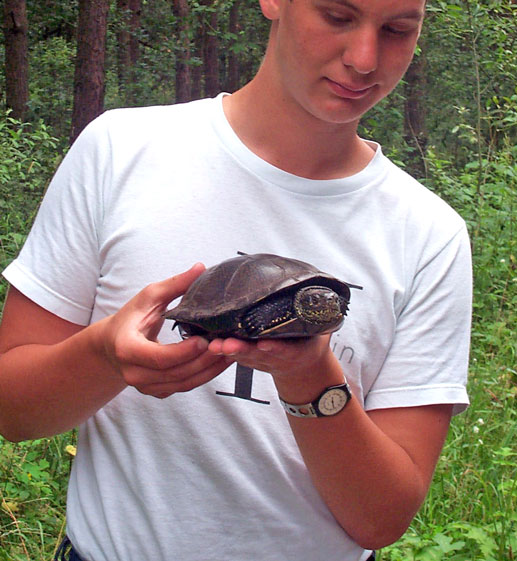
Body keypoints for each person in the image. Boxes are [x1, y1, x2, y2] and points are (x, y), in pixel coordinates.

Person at [0, 1, 472, 559]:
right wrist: (104, 357)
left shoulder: (428, 233)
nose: (364, 59)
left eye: (397, 30)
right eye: (337, 16)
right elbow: (12, 409)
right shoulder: (122, 151)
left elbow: (382, 519)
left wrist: (312, 373)